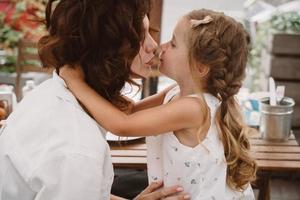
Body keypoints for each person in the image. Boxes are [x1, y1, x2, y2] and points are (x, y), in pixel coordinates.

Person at [0, 0, 190, 199]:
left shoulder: (55, 89)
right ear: (106, 46)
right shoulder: (78, 150)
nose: (153, 45)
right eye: (140, 37)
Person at [60, 8, 258, 199]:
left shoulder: (195, 108)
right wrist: (95, 79)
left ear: (200, 67)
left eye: (173, 43)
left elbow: (122, 125)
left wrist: (75, 82)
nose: (160, 47)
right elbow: (130, 110)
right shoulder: (175, 93)